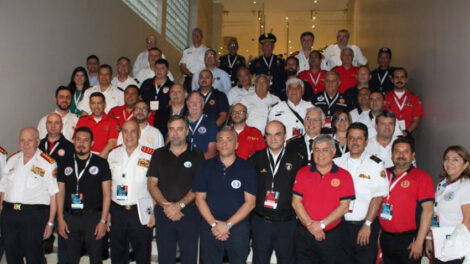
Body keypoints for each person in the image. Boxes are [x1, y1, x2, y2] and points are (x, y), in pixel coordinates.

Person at [193, 127, 257, 264]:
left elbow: (250, 202)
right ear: (216, 145)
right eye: (220, 140)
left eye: (229, 140)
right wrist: (214, 224)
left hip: (238, 229)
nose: (224, 143)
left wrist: (227, 225)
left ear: (236, 144)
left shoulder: (248, 168)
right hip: (210, 229)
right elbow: (199, 199)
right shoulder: (205, 167)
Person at [147, 116, 205, 264]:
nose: (175, 133)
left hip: (189, 213)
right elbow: (152, 183)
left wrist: (179, 205)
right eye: (172, 129)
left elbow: (199, 186)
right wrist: (167, 206)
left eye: (179, 129)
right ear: (168, 132)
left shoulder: (197, 155)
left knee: (189, 257)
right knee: (165, 258)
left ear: (186, 131)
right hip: (164, 212)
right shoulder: (158, 154)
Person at [292, 134, 355, 264]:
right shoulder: (303, 172)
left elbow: (344, 207)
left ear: (333, 152)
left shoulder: (344, 176)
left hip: (330, 236)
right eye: (316, 149)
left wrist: (321, 225)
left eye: (325, 150)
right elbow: (295, 201)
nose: (320, 154)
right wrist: (311, 225)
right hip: (304, 234)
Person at [248, 121, 304, 264]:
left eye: (277, 134)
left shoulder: (297, 159)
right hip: (261, 222)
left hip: (286, 223)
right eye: (269, 134)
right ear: (264, 137)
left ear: (285, 136)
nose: (273, 138)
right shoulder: (255, 159)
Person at [0, 127, 58, 263]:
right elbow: (3, 189)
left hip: (33, 216)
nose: (25, 144)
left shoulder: (47, 163)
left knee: (34, 256)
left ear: (37, 141)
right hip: (9, 214)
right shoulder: (12, 159)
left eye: (30, 140)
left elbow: (54, 195)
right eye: (22, 140)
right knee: (12, 255)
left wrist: (50, 222)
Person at [333, 122, 389, 264]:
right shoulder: (337, 163)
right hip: (341, 226)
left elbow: (377, 198)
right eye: (351, 138)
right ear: (346, 140)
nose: (355, 142)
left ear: (366, 141)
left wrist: (367, 224)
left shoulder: (375, 164)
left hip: (364, 227)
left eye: (359, 138)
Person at [56, 126, 111, 264]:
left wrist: (103, 221)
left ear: (92, 143)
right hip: (70, 219)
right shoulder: (64, 163)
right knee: (71, 259)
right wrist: (60, 219)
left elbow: (107, 194)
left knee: (96, 259)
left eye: (86, 140)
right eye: (78, 139)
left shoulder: (101, 163)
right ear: (73, 141)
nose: (81, 143)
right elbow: (60, 193)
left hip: (93, 219)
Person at [379, 137, 434, 264]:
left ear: (413, 155)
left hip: (409, 239)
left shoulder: (422, 177)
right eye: (397, 151)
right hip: (386, 237)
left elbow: (428, 211)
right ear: (392, 155)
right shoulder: (382, 174)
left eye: (406, 151)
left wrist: (419, 242)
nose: (401, 155)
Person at [107, 120, 155, 264]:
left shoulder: (150, 155)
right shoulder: (113, 154)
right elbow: (108, 185)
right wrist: (107, 212)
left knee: (142, 254)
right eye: (125, 131)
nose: (129, 135)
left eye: (133, 131)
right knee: (117, 253)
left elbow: (155, 186)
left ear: (139, 133)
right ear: (121, 133)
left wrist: (153, 212)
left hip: (140, 211)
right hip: (116, 211)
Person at [425, 146, 470, 264]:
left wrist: (453, 244)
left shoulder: (466, 186)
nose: (450, 163)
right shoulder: (442, 184)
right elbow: (436, 213)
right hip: (439, 242)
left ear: (465, 165)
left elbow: (468, 220)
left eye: (456, 159)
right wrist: (430, 238)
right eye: (447, 159)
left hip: (455, 246)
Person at [75, 92, 119, 158]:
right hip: (83, 157)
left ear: (104, 104)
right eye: (93, 103)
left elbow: (112, 143)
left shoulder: (113, 121)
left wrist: (97, 160)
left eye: (99, 103)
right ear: (90, 105)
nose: (96, 106)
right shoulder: (82, 120)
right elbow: (76, 140)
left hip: (103, 158)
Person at [384, 67, 424, 136]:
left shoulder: (414, 99)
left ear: (406, 80)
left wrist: (406, 132)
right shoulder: (385, 98)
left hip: (407, 135)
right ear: (392, 80)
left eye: (402, 77)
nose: (399, 80)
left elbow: (416, 120)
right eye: (396, 77)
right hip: (389, 135)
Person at [249, 33, 287, 100]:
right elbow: (250, 77)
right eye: (264, 45)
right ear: (261, 47)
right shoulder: (255, 61)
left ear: (273, 46)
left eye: (269, 45)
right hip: (261, 94)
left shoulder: (280, 61)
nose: (267, 47)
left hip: (278, 94)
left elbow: (284, 77)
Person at [186, 92, 217, 159]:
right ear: (187, 104)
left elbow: (212, 152)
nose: (194, 104)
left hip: (202, 164)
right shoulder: (179, 122)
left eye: (198, 101)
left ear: (203, 105)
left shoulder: (211, 124)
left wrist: (194, 162)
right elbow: (169, 144)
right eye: (191, 101)